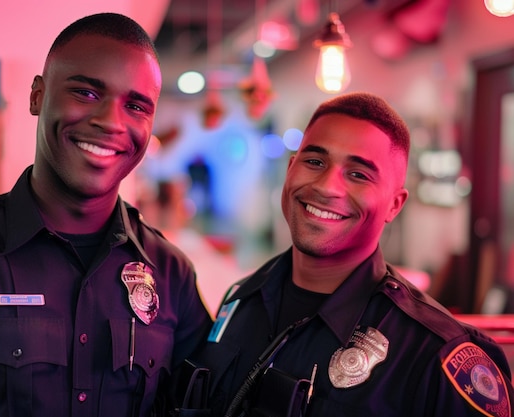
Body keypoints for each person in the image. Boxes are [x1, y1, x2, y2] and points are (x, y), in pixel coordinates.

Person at [0, 13, 212, 417]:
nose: (111, 121)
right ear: (37, 96)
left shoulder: (171, 275)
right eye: (87, 93)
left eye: (135, 105)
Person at [173, 92, 514, 416]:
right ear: (291, 169)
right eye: (315, 161)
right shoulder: (240, 301)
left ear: (395, 205)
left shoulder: (434, 354)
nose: (325, 186)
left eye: (358, 174)